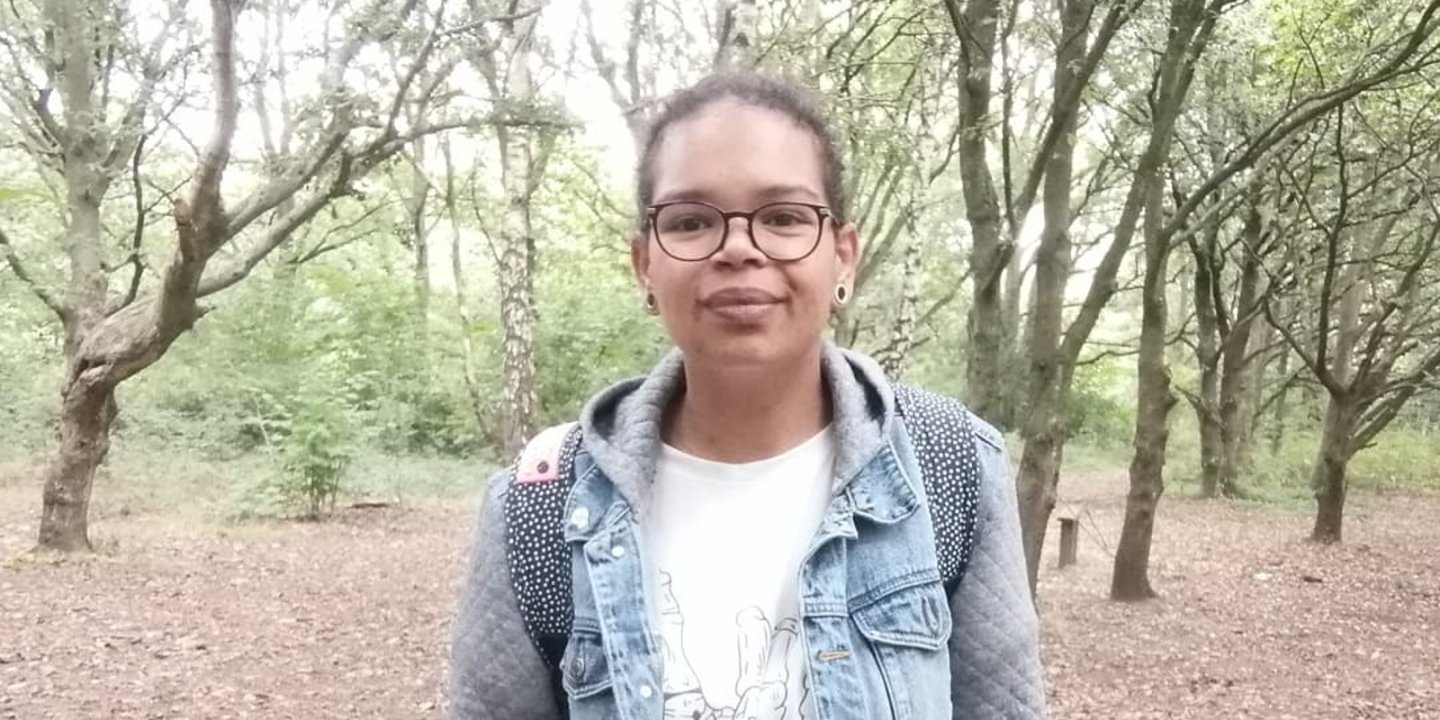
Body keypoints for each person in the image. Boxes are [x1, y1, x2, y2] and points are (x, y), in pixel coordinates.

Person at [449, 72, 1045, 720]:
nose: (737, 247)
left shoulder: (950, 466)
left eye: (784, 217)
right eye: (692, 221)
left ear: (842, 257)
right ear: (645, 262)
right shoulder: (542, 508)